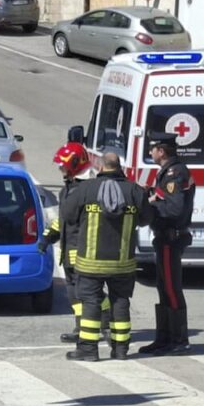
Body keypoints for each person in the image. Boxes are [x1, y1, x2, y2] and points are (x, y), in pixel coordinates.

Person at [62, 152, 153, 361]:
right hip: (123, 263)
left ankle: (88, 350)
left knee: (91, 303)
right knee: (120, 302)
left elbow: (68, 216)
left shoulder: (85, 189)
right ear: (119, 166)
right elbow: (147, 218)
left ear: (100, 167)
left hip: (90, 263)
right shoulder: (134, 191)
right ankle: (121, 350)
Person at [39, 142, 111, 343]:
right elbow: (62, 220)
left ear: (74, 164)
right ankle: (81, 326)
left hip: (84, 250)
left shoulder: (85, 190)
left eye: (63, 165)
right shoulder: (69, 189)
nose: (61, 169)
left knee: (89, 292)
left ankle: (106, 321)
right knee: (73, 293)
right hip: (69, 250)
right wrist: (47, 237)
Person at [140, 135, 196, 356]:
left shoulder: (176, 172)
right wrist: (152, 194)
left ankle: (178, 339)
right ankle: (163, 338)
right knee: (163, 287)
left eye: (152, 149)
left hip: (170, 237)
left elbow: (174, 209)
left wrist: (149, 207)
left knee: (171, 288)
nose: (151, 152)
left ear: (161, 151)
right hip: (164, 236)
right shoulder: (167, 171)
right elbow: (166, 199)